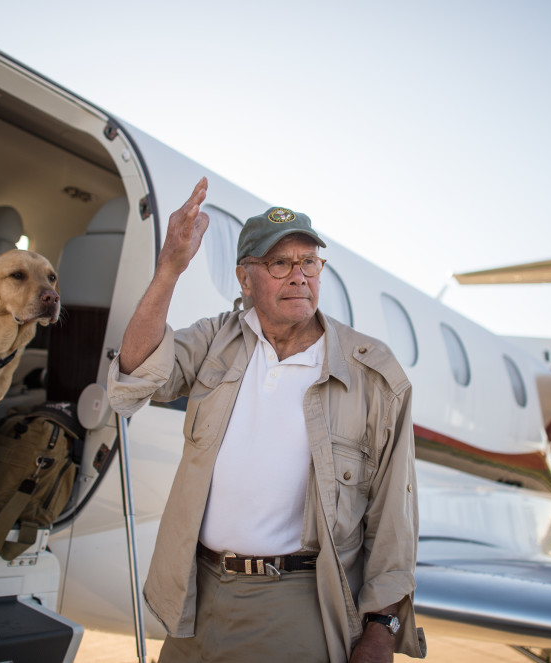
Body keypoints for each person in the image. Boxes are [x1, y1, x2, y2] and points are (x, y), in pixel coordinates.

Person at [107, 177, 426, 662]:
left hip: (295, 602)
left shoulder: (372, 373)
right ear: (245, 277)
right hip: (196, 595)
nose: (300, 276)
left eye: (310, 262)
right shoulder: (217, 339)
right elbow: (135, 374)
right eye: (280, 263)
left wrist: (381, 627)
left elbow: (393, 516)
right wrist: (170, 269)